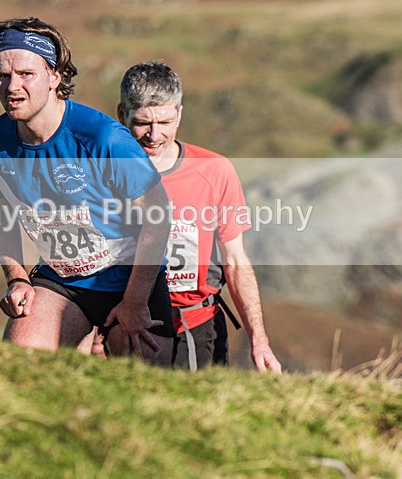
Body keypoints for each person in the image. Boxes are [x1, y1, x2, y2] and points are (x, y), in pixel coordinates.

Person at [0, 17, 174, 364]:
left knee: (148, 386)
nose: (11, 86)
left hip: (130, 278)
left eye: (26, 74)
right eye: (2, 75)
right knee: (19, 365)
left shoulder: (103, 138)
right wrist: (17, 278)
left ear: (55, 76)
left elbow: (158, 218)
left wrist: (134, 302)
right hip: (62, 280)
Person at [117, 60, 281, 373]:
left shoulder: (215, 171)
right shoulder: (105, 173)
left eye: (165, 122)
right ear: (122, 114)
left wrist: (259, 338)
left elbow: (235, 261)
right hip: (126, 323)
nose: (154, 135)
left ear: (179, 114)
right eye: (142, 123)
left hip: (196, 328)